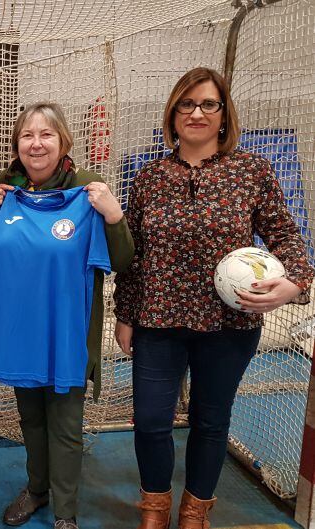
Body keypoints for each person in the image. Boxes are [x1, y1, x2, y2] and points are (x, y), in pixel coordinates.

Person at [113, 67, 314, 529]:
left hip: (230, 326)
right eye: (187, 104)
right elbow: (135, 254)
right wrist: (126, 314)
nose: (197, 113)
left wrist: (294, 283)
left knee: (210, 420)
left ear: (224, 114)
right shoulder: (148, 177)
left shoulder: (252, 171)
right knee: (150, 420)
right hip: (158, 320)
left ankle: (194, 513)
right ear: (173, 113)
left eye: (208, 104)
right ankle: (154, 510)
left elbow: (285, 236)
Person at [0, 102, 134, 529]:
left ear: (63, 140)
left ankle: (65, 512)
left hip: (70, 333)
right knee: (29, 418)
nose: (36, 144)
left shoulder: (88, 190)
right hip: (20, 333)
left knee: (66, 426)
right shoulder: (6, 189)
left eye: (46, 135)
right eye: (27, 135)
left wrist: (113, 214)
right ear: (17, 145)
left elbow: (122, 259)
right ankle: (36, 489)